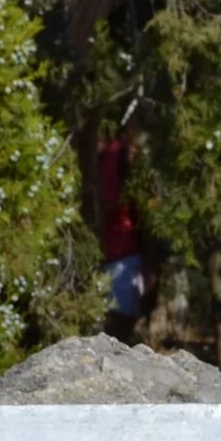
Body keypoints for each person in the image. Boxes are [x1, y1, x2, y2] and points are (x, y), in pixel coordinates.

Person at [95, 136, 146, 340]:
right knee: (117, 328)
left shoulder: (115, 154)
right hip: (120, 253)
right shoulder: (113, 154)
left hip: (123, 254)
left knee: (118, 327)